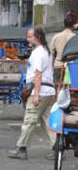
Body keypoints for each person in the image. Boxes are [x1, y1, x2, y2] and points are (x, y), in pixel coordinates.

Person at [7, 26, 56, 160]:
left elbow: (38, 75)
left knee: (29, 120)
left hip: (40, 91)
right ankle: (57, 147)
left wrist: (35, 95)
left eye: (30, 36)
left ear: (38, 37)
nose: (27, 39)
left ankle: (21, 149)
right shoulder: (46, 51)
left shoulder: (38, 52)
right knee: (47, 122)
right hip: (49, 91)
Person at [50, 14, 75, 90]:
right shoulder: (75, 37)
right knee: (70, 90)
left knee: (58, 88)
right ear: (73, 25)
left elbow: (51, 54)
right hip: (72, 67)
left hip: (58, 66)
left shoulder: (56, 36)